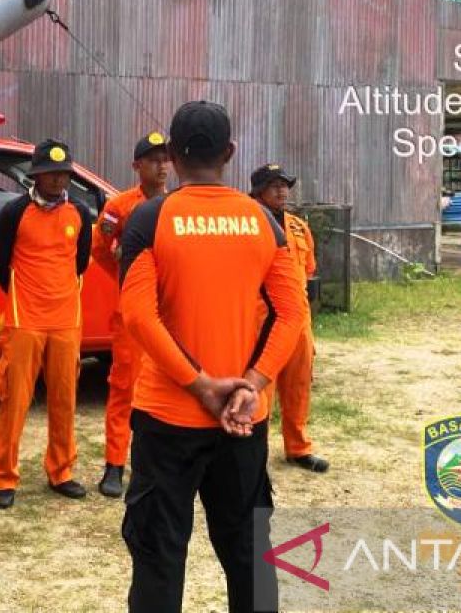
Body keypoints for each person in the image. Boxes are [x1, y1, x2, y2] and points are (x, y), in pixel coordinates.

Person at [118, 101, 309, 613]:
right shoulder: (265, 222)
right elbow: (291, 314)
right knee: (252, 556)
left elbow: (138, 317)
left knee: (158, 554)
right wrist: (252, 382)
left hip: (168, 415)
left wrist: (200, 385)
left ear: (174, 157)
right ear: (228, 152)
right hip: (244, 420)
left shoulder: (150, 218)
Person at [0, 139, 93, 509]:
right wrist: (23, 296)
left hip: (66, 320)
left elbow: (80, 263)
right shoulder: (14, 213)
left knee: (64, 399)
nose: (58, 180)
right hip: (24, 319)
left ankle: (61, 470)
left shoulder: (80, 214)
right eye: (51, 173)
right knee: (15, 399)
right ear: (36, 174)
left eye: (64, 174)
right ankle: (4, 477)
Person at [91, 131, 170, 498]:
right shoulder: (119, 206)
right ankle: (114, 464)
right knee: (124, 388)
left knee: (168, 387)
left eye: (165, 159)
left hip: (170, 311)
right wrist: (125, 279)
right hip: (132, 313)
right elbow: (101, 249)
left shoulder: (179, 206)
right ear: (137, 166)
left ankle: (160, 464)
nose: (161, 166)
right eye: (153, 160)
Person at [250, 164, 329, 473]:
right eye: (274, 185)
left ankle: (297, 448)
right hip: (262, 318)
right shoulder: (248, 223)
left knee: (298, 384)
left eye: (285, 185)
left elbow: (307, 268)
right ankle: (254, 450)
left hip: (298, 318)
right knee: (261, 387)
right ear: (258, 190)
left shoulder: (297, 226)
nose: (282, 191)